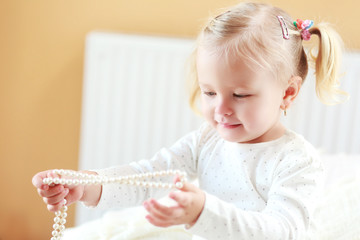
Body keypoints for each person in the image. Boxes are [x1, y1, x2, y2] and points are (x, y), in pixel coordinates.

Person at [32, 2, 346, 239]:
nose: (220, 109)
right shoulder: (206, 141)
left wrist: (202, 212)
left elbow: (281, 232)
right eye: (209, 92)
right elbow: (148, 176)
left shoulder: (297, 162)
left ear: (288, 92)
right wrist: (87, 185)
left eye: (240, 95)